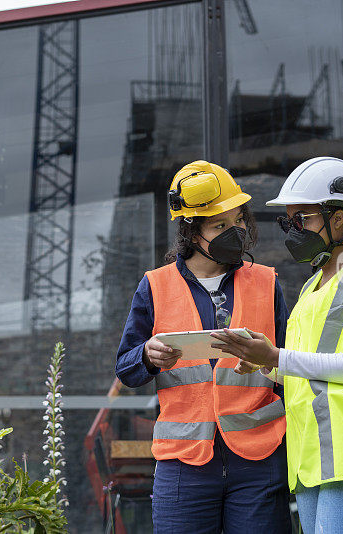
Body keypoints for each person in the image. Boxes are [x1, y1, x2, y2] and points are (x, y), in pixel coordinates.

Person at [211, 156, 343, 534]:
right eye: (289, 221)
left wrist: (277, 356)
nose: (292, 230)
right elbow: (312, 373)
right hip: (313, 460)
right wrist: (267, 365)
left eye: (302, 219)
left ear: (339, 218)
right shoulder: (310, 287)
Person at [115, 160, 292, 534]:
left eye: (239, 220)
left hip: (259, 460)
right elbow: (126, 368)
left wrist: (265, 364)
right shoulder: (155, 286)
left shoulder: (266, 282)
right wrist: (147, 355)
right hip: (185, 466)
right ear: (193, 232)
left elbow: (289, 367)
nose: (236, 231)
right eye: (219, 225)